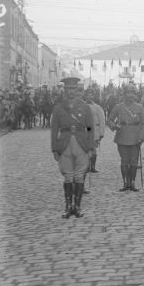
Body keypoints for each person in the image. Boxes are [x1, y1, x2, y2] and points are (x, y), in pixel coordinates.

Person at [50, 77, 95, 218]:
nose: (71, 92)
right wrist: (55, 148)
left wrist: (90, 146)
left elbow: (89, 128)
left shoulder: (85, 107)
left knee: (80, 176)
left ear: (78, 90)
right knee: (68, 176)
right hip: (65, 143)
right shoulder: (58, 108)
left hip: (81, 143)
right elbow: (54, 129)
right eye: (68, 89)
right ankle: (68, 207)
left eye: (74, 89)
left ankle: (78, 207)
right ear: (64, 90)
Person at [107, 84, 144, 192]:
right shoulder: (119, 107)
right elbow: (109, 120)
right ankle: (125, 183)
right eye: (128, 93)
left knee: (133, 161)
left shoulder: (140, 107)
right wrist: (114, 126)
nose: (130, 95)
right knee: (124, 161)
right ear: (124, 94)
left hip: (135, 138)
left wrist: (141, 136)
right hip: (122, 136)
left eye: (133, 93)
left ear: (135, 95)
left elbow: (143, 124)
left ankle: (132, 183)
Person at [85, 89, 105, 173]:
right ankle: (86, 166)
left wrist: (101, 133)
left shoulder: (97, 107)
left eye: (91, 95)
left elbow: (101, 120)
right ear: (86, 96)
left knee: (93, 149)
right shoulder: (83, 106)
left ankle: (92, 167)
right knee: (85, 148)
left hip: (95, 131)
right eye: (88, 95)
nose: (90, 96)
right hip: (86, 130)